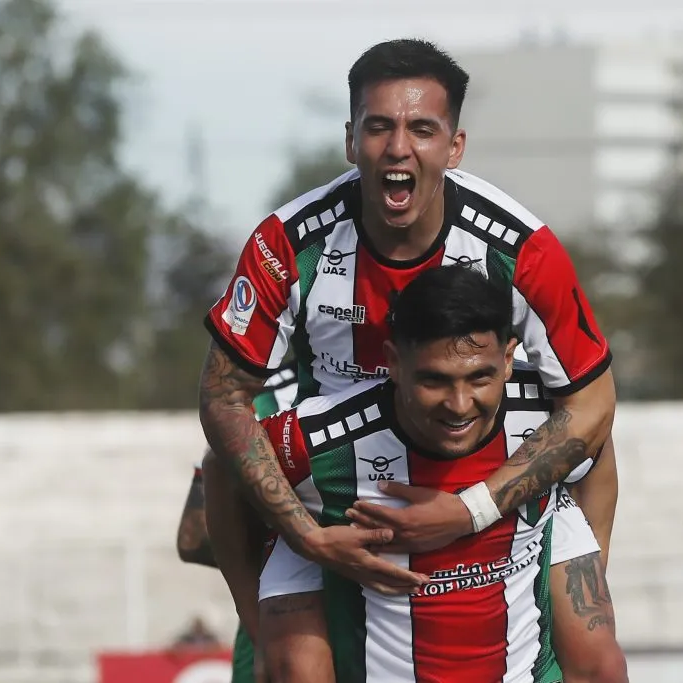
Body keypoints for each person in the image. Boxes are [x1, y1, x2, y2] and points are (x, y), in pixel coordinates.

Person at [198, 38, 620, 680]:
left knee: (597, 658)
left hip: (490, 467)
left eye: (422, 129)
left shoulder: (522, 248)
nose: (399, 147)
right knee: (291, 664)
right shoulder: (287, 244)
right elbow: (223, 398)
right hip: (340, 474)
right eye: (379, 127)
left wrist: (474, 510)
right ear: (351, 141)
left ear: (455, 146)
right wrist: (306, 536)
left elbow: (592, 406)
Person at [247, 266, 626, 681]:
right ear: (394, 363)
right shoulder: (320, 440)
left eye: (479, 377)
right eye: (434, 381)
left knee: (602, 662)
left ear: (507, 359)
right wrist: (302, 541)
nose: (459, 405)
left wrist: (594, 552)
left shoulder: (546, 411)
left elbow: (595, 442)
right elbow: (225, 471)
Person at [176, 362, 298, 683]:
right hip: (364, 619)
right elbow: (193, 536)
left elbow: (193, 537)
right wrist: (307, 542)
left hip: (272, 619)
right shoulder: (399, 390)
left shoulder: (256, 394)